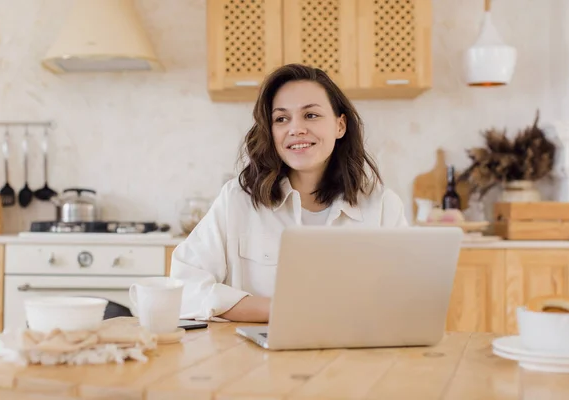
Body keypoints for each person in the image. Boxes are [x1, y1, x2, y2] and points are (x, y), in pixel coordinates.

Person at [170, 63, 408, 323]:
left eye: (311, 115)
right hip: (252, 358)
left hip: (351, 355)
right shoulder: (237, 200)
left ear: (340, 126)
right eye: (281, 119)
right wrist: (283, 310)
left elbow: (407, 299)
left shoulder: (383, 205)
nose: (296, 129)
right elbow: (184, 289)